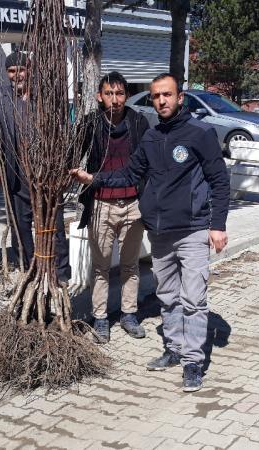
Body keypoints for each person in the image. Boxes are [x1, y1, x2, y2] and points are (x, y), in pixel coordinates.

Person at [72, 73, 230, 392]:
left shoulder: (201, 133)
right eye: (156, 96)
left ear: (180, 97)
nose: (161, 101)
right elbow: (130, 174)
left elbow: (220, 181)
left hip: (192, 230)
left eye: (167, 95)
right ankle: (172, 349)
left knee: (194, 299)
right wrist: (95, 180)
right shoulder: (152, 137)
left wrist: (218, 225)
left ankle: (193, 362)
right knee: (168, 297)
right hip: (159, 232)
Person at [78, 71, 149, 343]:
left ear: (126, 96)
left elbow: (147, 161)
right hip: (101, 204)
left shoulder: (138, 122)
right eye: (109, 93)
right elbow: (75, 155)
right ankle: (100, 318)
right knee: (101, 267)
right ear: (99, 96)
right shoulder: (90, 124)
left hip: (132, 203)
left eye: (120, 94)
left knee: (130, 265)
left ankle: (129, 314)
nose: (115, 99)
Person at [0, 51, 70, 283]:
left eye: (22, 69)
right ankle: (28, 269)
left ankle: (60, 272)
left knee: (53, 225)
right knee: (21, 225)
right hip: (17, 174)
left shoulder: (47, 97)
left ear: (30, 70)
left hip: (46, 173)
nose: (17, 75)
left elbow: (62, 133)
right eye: (12, 71)